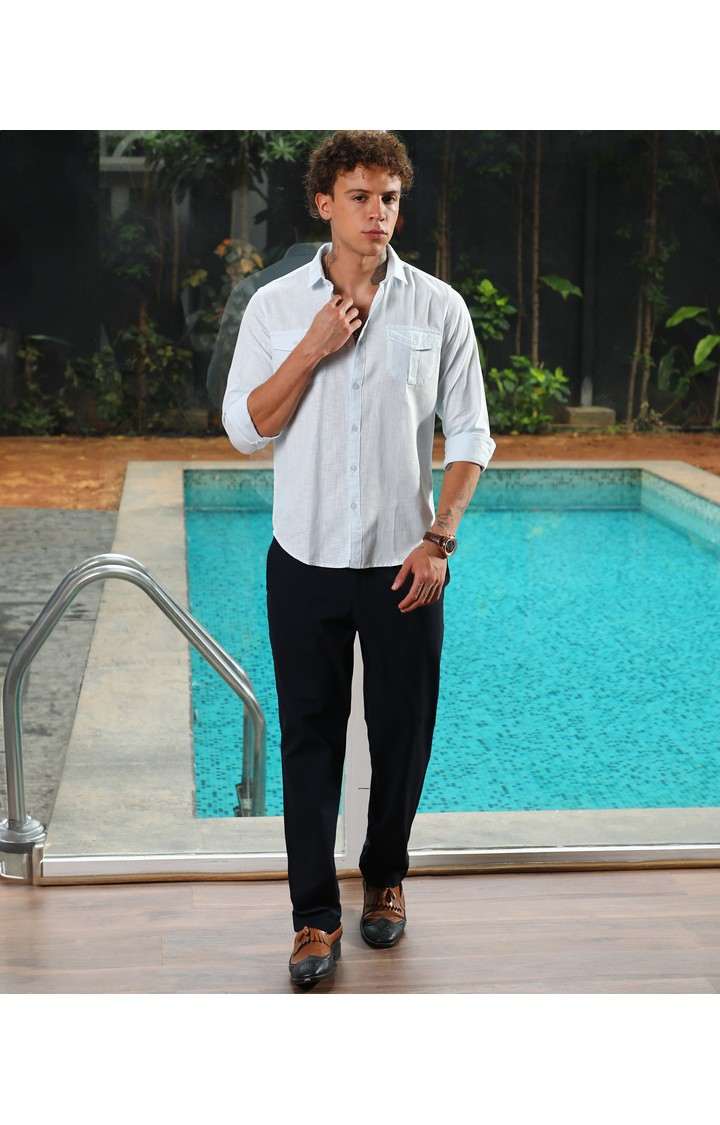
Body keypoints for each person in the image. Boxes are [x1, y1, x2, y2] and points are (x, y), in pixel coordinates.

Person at [221, 129, 496, 989]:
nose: (378, 213)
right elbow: (244, 428)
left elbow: (472, 434)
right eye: (360, 197)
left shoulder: (437, 309)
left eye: (390, 198)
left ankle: (385, 877)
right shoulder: (274, 309)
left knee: (403, 733)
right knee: (309, 741)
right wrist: (313, 345)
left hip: (403, 565)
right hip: (303, 559)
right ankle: (313, 918)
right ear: (323, 203)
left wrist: (440, 537)